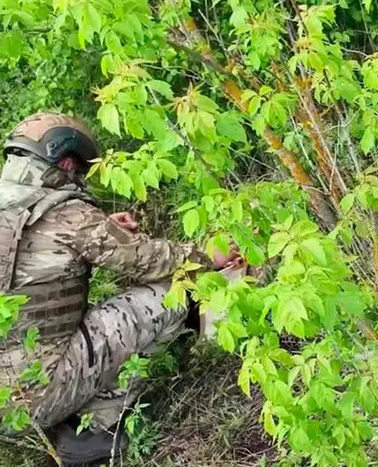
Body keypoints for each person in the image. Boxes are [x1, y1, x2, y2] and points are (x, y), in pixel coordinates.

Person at [0, 113, 235, 465]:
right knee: (167, 297)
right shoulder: (67, 214)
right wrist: (207, 255)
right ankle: (93, 432)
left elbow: (36, 255)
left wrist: (102, 228)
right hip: (36, 395)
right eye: (78, 170)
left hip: (9, 403)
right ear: (66, 161)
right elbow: (146, 260)